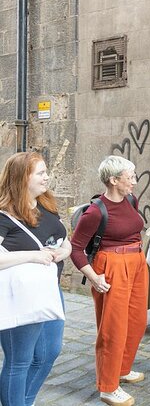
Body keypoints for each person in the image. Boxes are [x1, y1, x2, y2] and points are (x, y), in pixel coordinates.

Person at [70, 156, 147, 406]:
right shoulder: (95, 211)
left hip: (136, 263)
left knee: (137, 321)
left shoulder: (131, 200)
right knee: (112, 328)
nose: (135, 181)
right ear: (114, 180)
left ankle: (122, 369)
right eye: (130, 177)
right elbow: (76, 248)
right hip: (111, 267)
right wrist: (93, 277)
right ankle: (108, 387)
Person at [0, 152, 71, 406]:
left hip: (49, 291)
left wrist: (63, 251)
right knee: (19, 360)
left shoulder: (46, 205)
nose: (47, 177)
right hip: (19, 295)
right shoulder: (3, 215)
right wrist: (33, 256)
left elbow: (65, 241)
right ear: (22, 178)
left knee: (48, 353)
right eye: (40, 173)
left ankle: (24, 401)